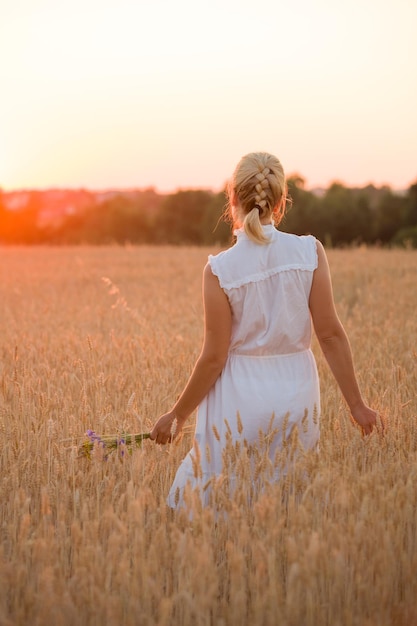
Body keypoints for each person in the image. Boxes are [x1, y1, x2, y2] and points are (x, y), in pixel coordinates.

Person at [150, 151, 377, 508]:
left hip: (239, 398)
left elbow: (213, 357)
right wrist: (357, 405)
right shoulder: (309, 252)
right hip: (297, 395)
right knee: (288, 498)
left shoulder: (220, 270)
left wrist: (177, 415)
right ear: (281, 199)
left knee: (221, 498)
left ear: (234, 198)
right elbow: (331, 334)